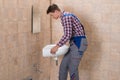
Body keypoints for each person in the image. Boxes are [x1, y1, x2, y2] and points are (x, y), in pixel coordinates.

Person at [46, 4, 88, 80]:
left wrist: (57, 46)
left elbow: (68, 35)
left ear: (56, 11)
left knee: (72, 68)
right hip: (75, 43)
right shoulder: (66, 16)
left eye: (52, 15)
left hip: (78, 42)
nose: (52, 17)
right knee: (63, 66)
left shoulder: (66, 17)